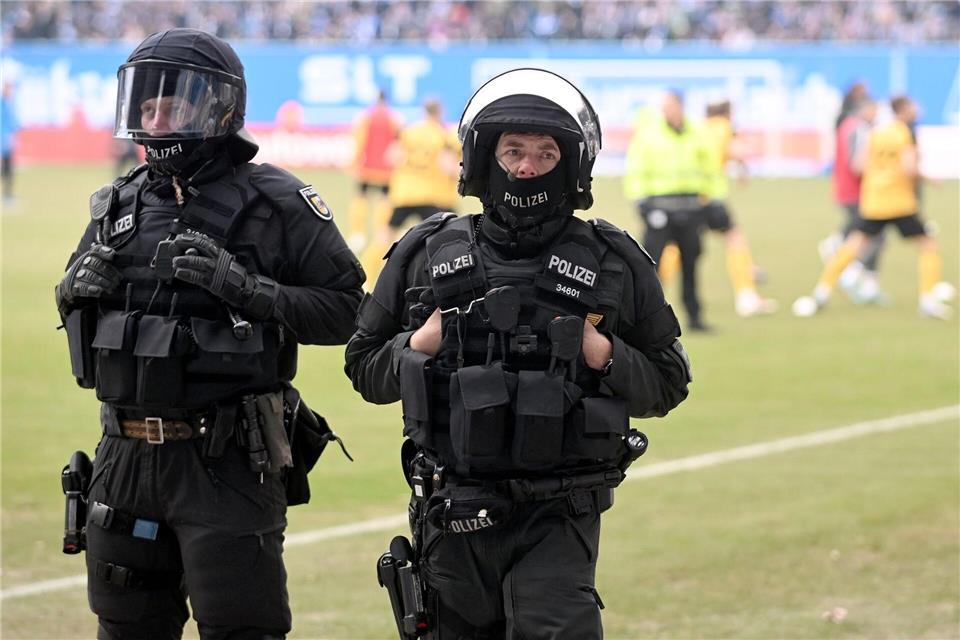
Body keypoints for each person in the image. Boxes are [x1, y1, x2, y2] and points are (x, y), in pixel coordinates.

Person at [345, 68, 691, 639]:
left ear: (571, 165)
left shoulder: (613, 261)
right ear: (486, 158)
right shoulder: (425, 253)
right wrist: (419, 344)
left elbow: (670, 382)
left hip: (558, 516)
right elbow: (363, 367)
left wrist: (602, 352)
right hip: (451, 512)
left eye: (545, 153)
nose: (527, 167)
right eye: (513, 151)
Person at [54, 29, 364, 639]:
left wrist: (249, 290)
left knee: (242, 627)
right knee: (124, 628)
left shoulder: (278, 203)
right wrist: (69, 293)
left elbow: (351, 311)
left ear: (218, 107)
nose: (155, 121)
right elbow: (81, 320)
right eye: (147, 107)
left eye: (171, 106)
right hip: (122, 458)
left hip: (226, 461)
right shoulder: (115, 207)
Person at [793, 95, 951, 320]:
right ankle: (928, 301)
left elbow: (859, 165)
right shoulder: (904, 133)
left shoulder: (876, 133)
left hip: (875, 200)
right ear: (903, 110)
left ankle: (821, 292)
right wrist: (928, 178)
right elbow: (909, 168)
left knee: (853, 244)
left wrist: (879, 175)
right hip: (900, 202)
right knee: (928, 245)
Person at [624, 90, 713, 331]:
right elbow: (636, 170)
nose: (667, 111)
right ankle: (646, 317)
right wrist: (642, 204)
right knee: (650, 266)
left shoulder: (697, 133)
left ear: (681, 106)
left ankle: (694, 316)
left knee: (691, 265)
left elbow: (709, 168)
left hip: (691, 209)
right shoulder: (649, 135)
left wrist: (708, 200)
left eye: (671, 106)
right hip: (659, 209)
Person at [359, 98, 460, 283]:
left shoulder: (409, 131)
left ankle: (365, 277)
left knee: (384, 237)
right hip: (431, 196)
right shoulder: (443, 135)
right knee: (445, 241)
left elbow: (391, 157)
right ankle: (446, 280)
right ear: (440, 111)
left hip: (404, 193)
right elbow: (447, 166)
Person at [820, 97, 888, 304]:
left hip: (849, 191)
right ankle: (851, 272)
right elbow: (857, 164)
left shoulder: (847, 125)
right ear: (865, 109)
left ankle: (861, 279)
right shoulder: (859, 129)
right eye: (874, 110)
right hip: (859, 193)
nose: (876, 114)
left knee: (866, 234)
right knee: (870, 236)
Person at [347, 90, 401, 252]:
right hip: (386, 168)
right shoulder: (394, 118)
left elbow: (359, 141)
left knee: (361, 196)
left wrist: (355, 163)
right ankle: (381, 231)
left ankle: (358, 234)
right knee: (384, 199)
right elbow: (398, 142)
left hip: (367, 166)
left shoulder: (365, 117)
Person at [1, 81, 20, 206]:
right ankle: (7, 196)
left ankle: (8, 195)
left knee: (8, 169)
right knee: (6, 169)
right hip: (4, 141)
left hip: (8, 140)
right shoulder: (3, 104)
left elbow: (13, 122)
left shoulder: (9, 103)